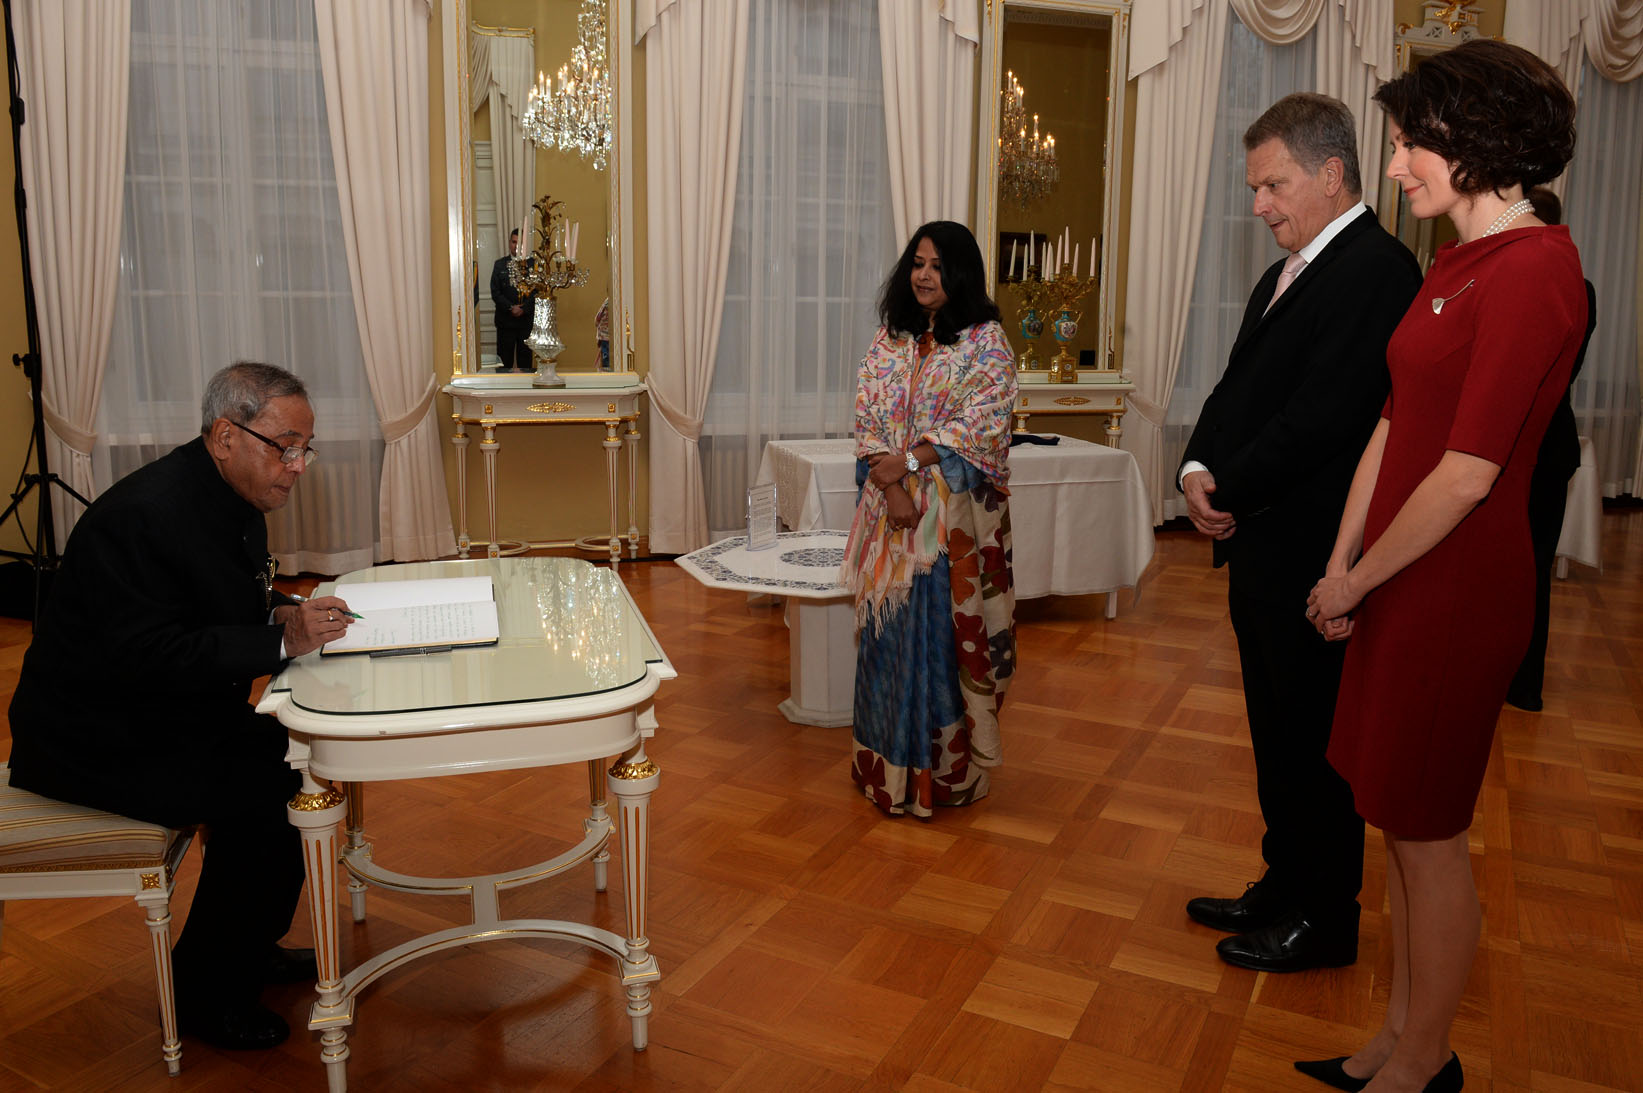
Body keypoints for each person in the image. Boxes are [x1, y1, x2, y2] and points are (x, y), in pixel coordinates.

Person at [1300, 40, 1584, 1093]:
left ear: (1471, 143)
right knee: (1391, 819)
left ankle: (1425, 1060)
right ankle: (1389, 1035)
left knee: (1427, 834)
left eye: (1408, 143)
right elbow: (1394, 422)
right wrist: (1340, 557)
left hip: (1452, 590)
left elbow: (1465, 474)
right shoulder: (1453, 263)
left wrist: (1356, 578)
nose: (1392, 169)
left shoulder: (1533, 271)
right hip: (1396, 573)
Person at [6, 362, 357, 1051]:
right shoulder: (145, 516)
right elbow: (148, 654)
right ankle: (206, 994)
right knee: (267, 791)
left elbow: (217, 603)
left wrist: (287, 612)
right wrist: (275, 637)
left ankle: (245, 946)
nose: (297, 467)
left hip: (154, 709)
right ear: (226, 435)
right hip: (92, 738)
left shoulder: (226, 497)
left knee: (287, 761)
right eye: (283, 447)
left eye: (304, 448)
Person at [1178, 93, 1422, 973]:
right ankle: (1282, 885)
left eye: (1271, 184)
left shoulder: (1375, 270)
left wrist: (1229, 482)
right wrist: (1195, 469)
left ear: (1329, 173)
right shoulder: (1290, 270)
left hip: (1317, 554)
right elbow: (1237, 391)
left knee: (1317, 743)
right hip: (1264, 544)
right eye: (1255, 187)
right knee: (1275, 731)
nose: (1258, 205)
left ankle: (1325, 917)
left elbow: (1323, 419)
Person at [838, 220, 1017, 817]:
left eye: (938, 265)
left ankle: (942, 777)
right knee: (884, 643)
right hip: (889, 521)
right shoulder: (890, 338)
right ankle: (883, 772)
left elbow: (984, 422)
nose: (923, 275)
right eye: (917, 262)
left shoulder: (984, 342)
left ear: (960, 272)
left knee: (940, 646)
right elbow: (866, 413)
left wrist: (908, 463)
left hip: (949, 531)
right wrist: (888, 486)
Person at [1505, 187, 1597, 711]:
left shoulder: (1545, 284)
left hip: (1533, 444)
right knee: (1533, 569)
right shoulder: (1581, 285)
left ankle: (1518, 683)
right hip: (1552, 439)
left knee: (1527, 569)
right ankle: (1522, 683)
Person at [491, 228, 532, 370]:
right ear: (510, 243)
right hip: (505, 322)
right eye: (514, 242)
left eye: (520, 243)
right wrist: (510, 307)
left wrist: (524, 309)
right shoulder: (500, 264)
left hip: (526, 323)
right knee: (503, 364)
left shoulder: (533, 265)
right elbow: (495, 292)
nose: (516, 246)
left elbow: (538, 292)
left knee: (525, 364)